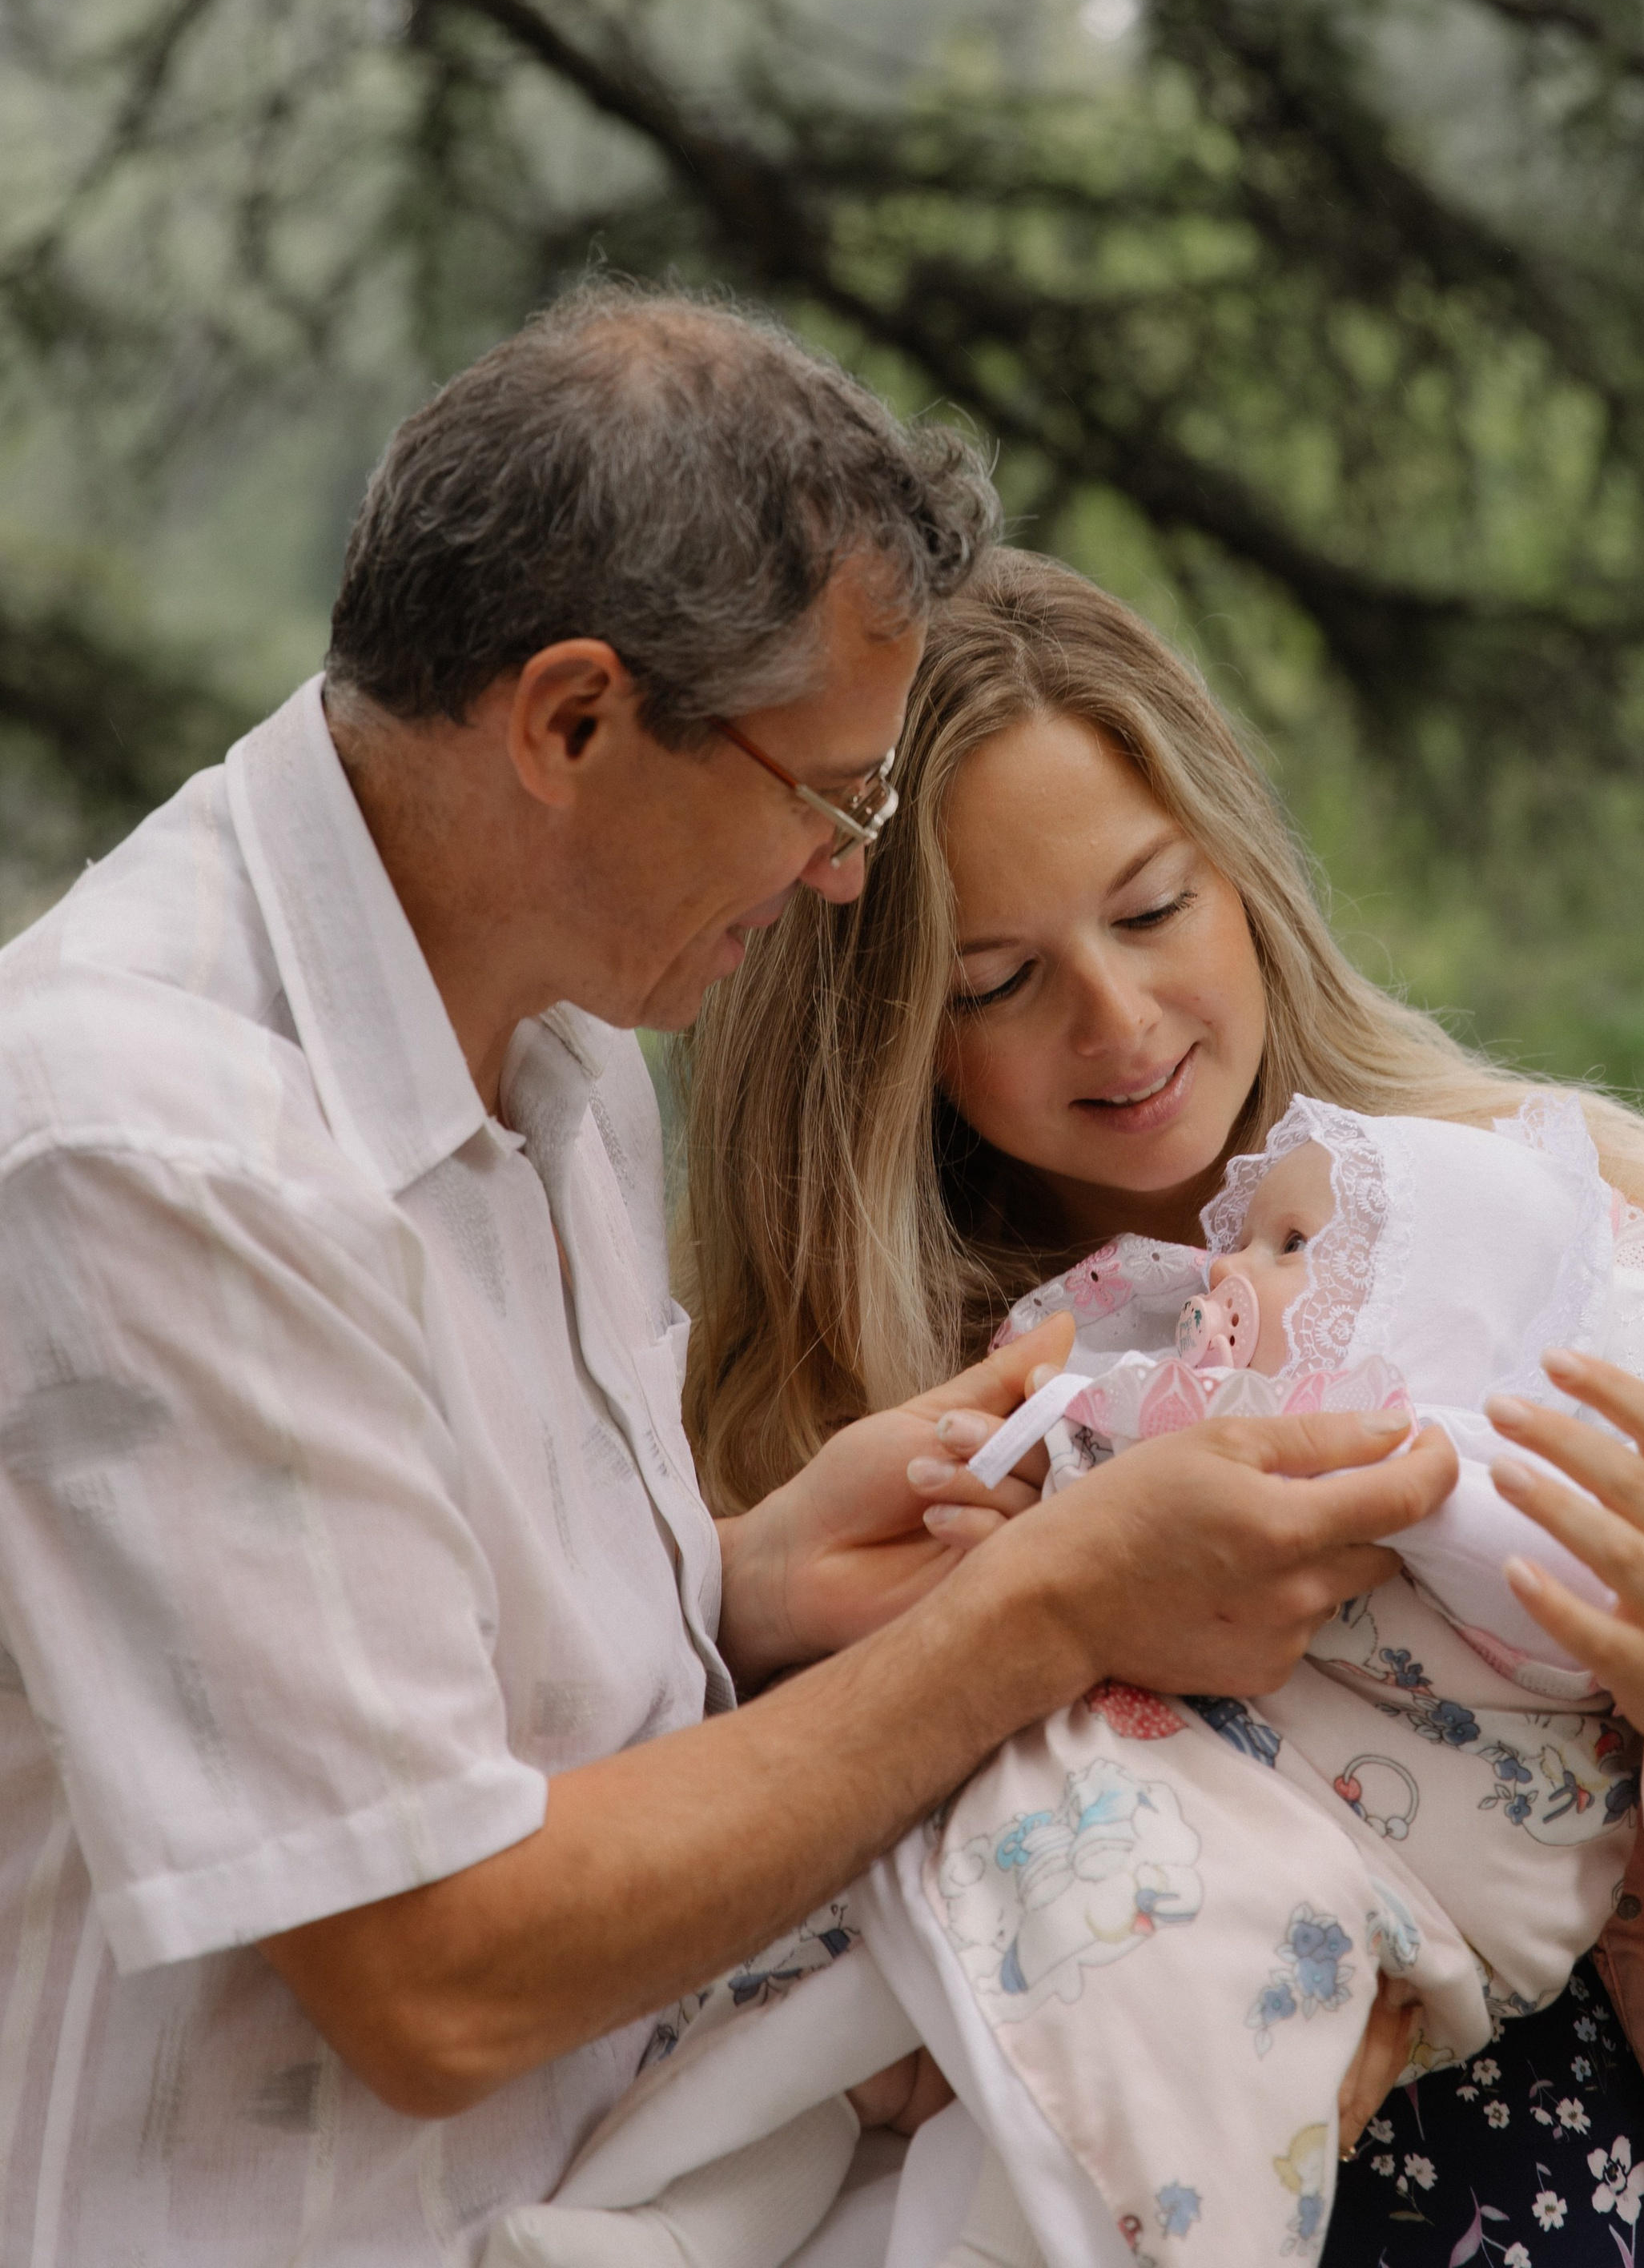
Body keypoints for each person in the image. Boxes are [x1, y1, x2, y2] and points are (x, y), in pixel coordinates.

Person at [0, 293, 1462, 2266]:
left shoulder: (562, 1035)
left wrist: (739, 1581)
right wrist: (1042, 1606)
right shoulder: (153, 1153)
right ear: (571, 722)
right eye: (827, 795)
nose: (846, 873)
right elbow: (437, 1973)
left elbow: (445, 1685)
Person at [681, 545, 1644, 2268]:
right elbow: (756, 2006)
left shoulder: (1571, 1246)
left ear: (1242, 874)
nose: (1118, 1020)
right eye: (996, 981)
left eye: (1153, 910)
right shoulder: (846, 1442)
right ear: (876, 1033)